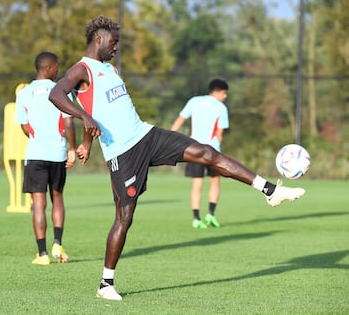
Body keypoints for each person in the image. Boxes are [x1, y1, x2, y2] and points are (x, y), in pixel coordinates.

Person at [49, 15, 305, 300]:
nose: (116, 47)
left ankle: (270, 190)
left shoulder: (111, 70)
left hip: (147, 135)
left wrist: (87, 140)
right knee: (125, 216)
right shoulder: (80, 70)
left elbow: (94, 115)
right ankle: (106, 284)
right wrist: (84, 121)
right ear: (99, 38)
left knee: (207, 152)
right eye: (114, 41)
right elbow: (56, 93)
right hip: (123, 154)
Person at [15, 52, 76, 265]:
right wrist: (72, 148)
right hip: (57, 153)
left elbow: (24, 127)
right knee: (57, 198)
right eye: (57, 66)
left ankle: (42, 255)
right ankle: (57, 244)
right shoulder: (62, 91)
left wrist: (37, 138)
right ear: (49, 67)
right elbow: (68, 123)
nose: (58, 69)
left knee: (38, 204)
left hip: (35, 154)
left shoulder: (24, 93)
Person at [171, 79, 229, 229]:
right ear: (218, 92)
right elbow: (219, 134)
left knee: (197, 184)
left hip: (194, 149)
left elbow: (179, 121)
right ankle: (211, 215)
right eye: (224, 93)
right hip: (213, 151)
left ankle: (196, 219)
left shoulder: (194, 101)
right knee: (215, 182)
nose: (225, 96)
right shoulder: (221, 108)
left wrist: (170, 138)